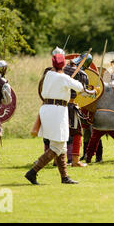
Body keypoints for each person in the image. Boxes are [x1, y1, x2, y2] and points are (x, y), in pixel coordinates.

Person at [25, 53, 90, 185]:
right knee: (57, 145)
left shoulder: (48, 75)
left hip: (47, 109)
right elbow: (80, 87)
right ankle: (32, 172)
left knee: (62, 146)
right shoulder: (63, 78)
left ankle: (64, 177)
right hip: (57, 111)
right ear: (63, 64)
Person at [84, 72, 114, 164]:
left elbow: (91, 93)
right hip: (112, 118)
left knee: (94, 139)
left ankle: (88, 158)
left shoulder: (101, 88)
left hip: (99, 117)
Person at [63, 52, 93, 167]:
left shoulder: (62, 69)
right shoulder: (82, 74)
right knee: (77, 132)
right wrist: (95, 91)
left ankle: (57, 160)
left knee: (61, 132)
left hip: (59, 105)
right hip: (71, 106)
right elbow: (84, 92)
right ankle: (75, 161)